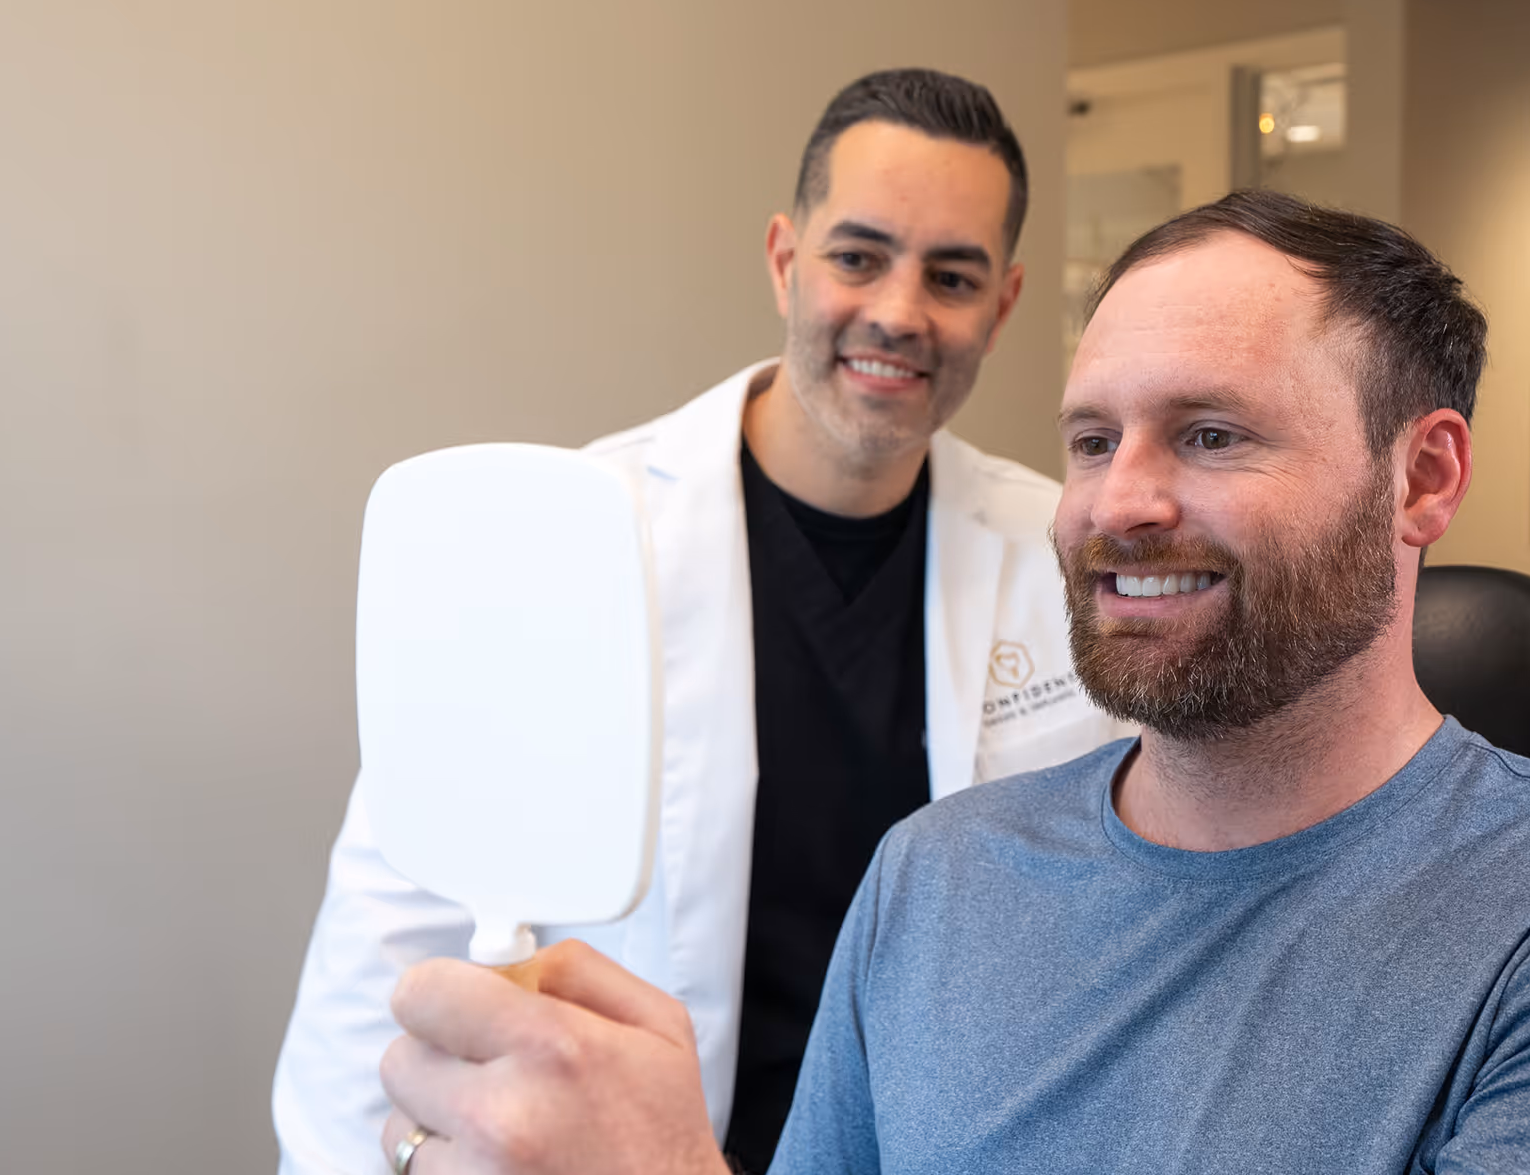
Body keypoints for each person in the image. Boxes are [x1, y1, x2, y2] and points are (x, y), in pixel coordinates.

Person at [370, 189, 1530, 1174]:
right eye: (1088, 441)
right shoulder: (934, 878)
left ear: (1422, 477)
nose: (1115, 503)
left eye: (1211, 435)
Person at [272, 69, 1126, 1174]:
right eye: (857, 257)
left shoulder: (1066, 557)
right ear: (783, 259)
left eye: (950, 276)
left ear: (1002, 306)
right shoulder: (563, 539)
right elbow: (380, 962)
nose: (898, 311)